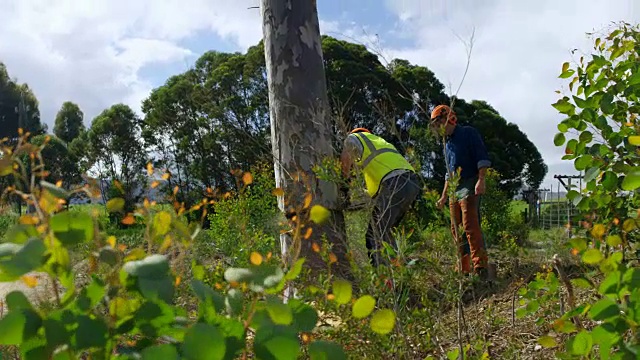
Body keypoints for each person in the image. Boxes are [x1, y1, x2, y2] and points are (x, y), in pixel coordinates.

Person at [340, 127, 421, 267]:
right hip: (411, 184)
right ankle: (400, 271)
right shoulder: (380, 146)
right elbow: (374, 193)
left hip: (394, 184)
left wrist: (344, 186)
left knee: (374, 234)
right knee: (386, 232)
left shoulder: (353, 138)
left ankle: (385, 280)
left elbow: (345, 163)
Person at [431, 105, 491, 279]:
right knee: (456, 229)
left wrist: (481, 179)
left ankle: (481, 267)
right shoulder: (447, 144)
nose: (439, 128)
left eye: (440, 123)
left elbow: (481, 156)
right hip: (454, 189)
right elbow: (449, 174)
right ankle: (463, 268)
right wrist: (443, 196)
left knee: (470, 225)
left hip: (470, 181)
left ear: (449, 118)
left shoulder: (468, 133)